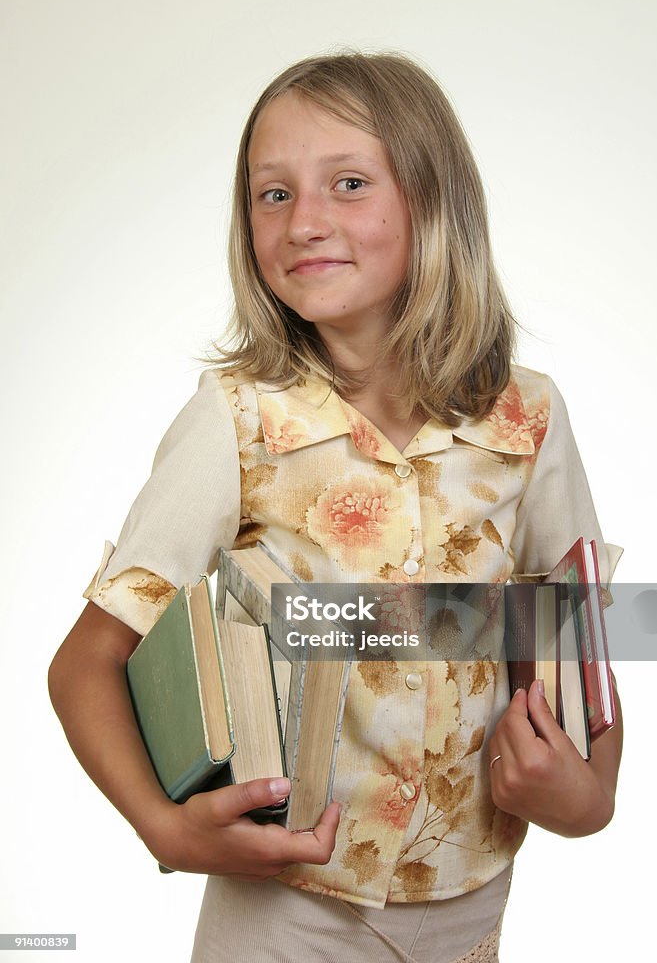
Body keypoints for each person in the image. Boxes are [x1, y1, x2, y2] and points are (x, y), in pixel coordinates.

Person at [48, 52, 623, 963]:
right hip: (285, 908)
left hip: (471, 902)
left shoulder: (528, 418)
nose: (303, 220)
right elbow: (87, 662)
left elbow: (569, 644)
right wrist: (164, 829)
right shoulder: (235, 421)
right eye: (271, 194)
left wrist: (590, 798)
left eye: (347, 183)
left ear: (433, 204)